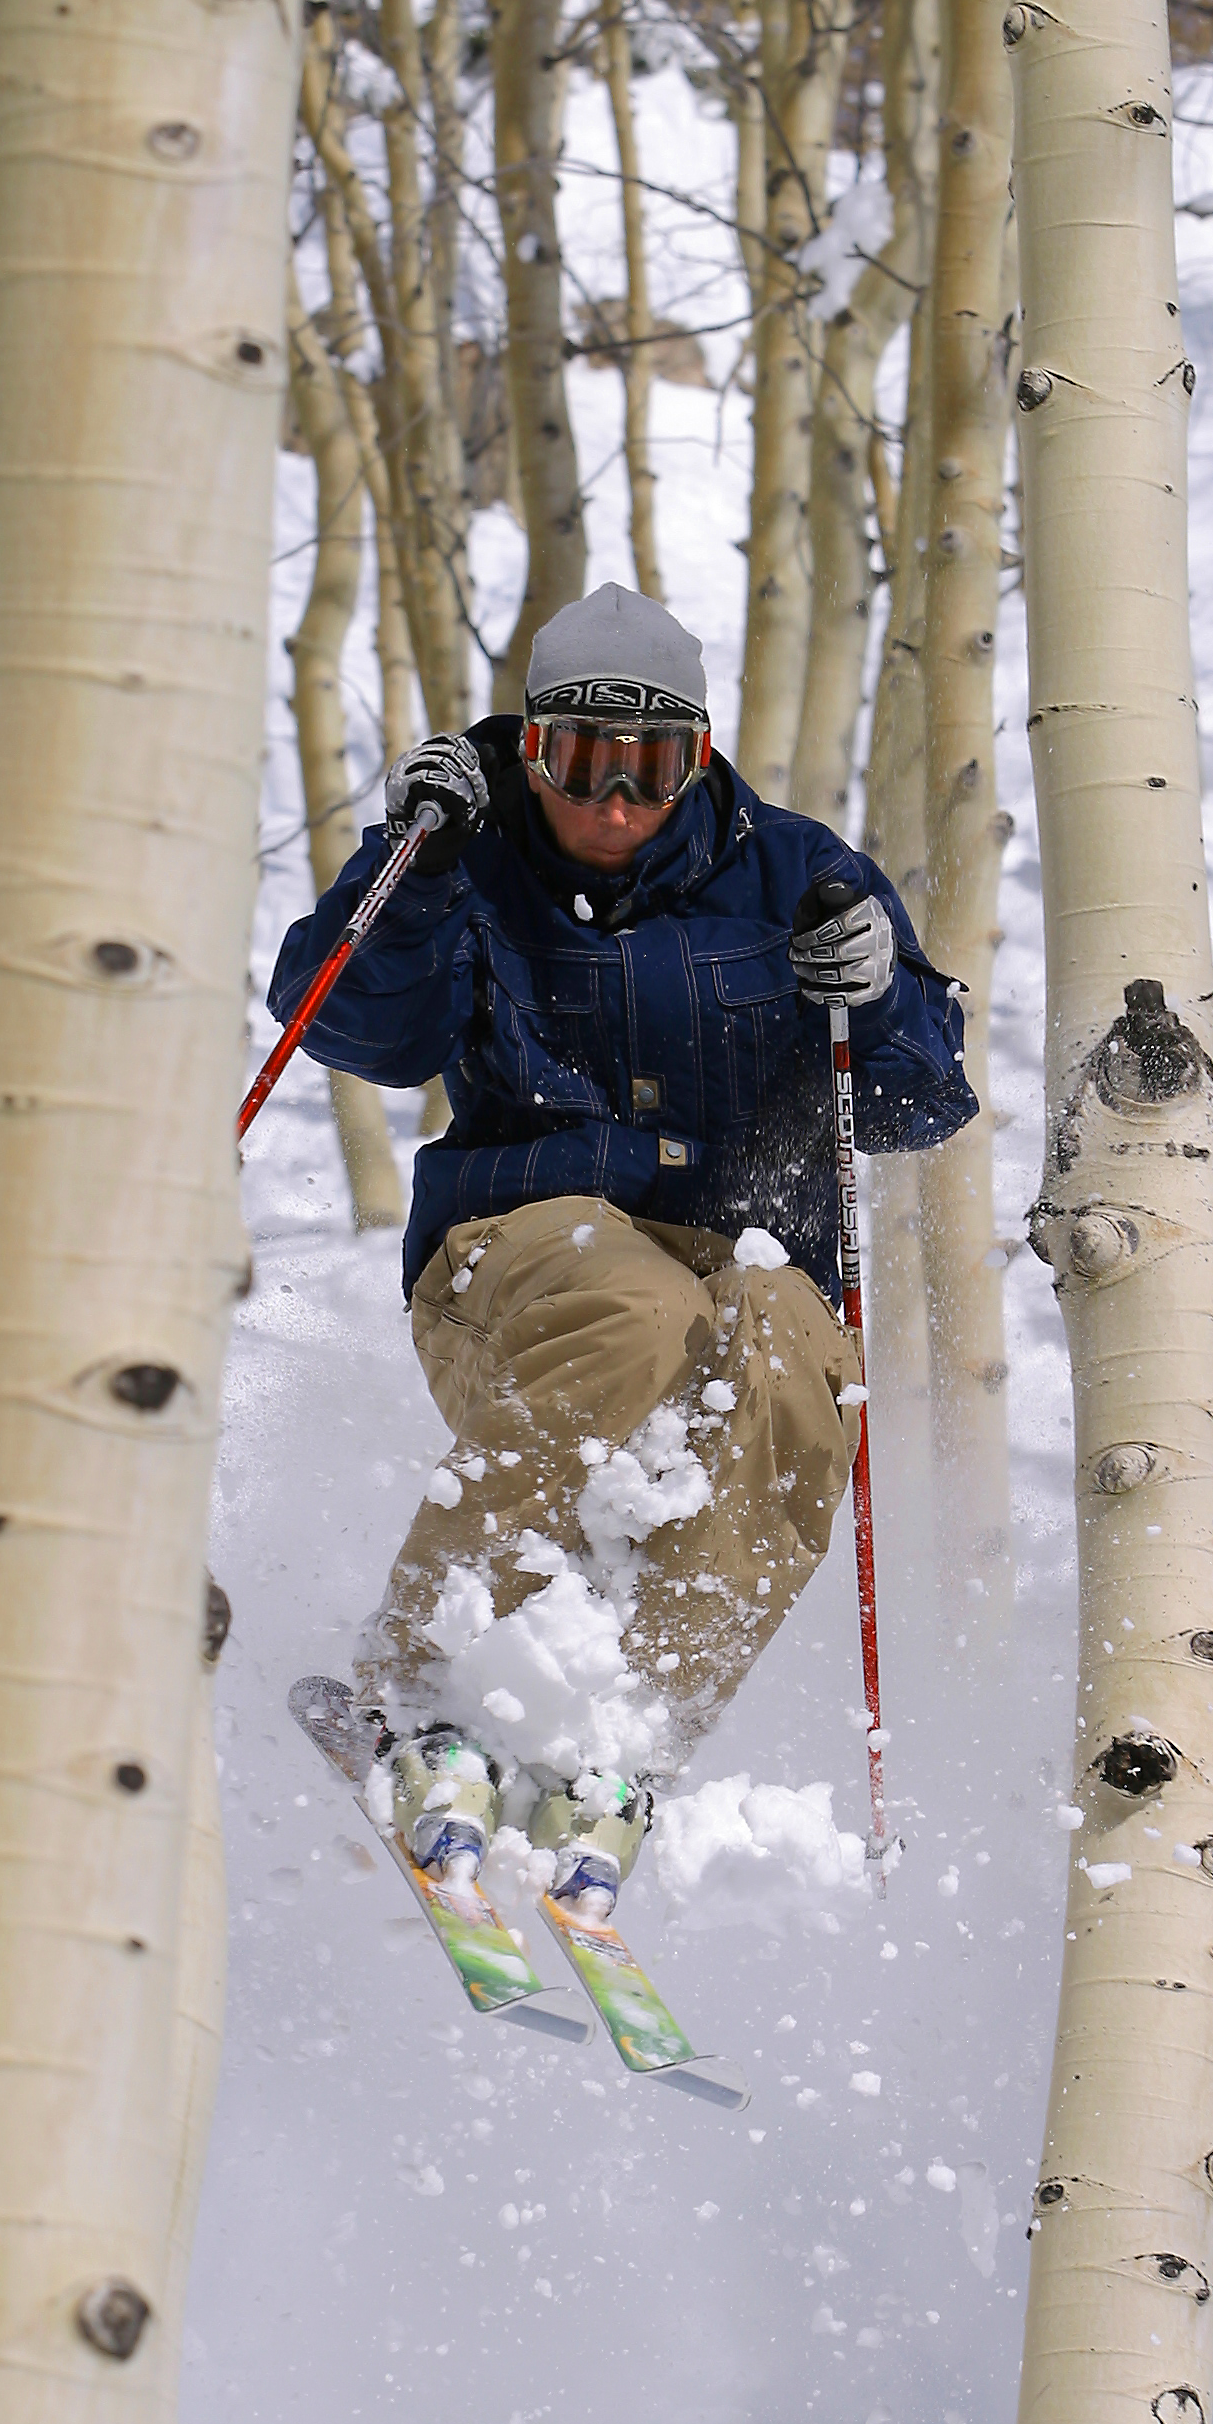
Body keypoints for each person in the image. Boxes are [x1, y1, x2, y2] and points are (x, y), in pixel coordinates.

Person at [271, 583, 975, 1915]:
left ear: (696, 759)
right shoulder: (469, 849)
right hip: (525, 1237)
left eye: (645, 771)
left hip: (750, 1252)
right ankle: (423, 1682)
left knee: (786, 1361)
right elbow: (356, 1028)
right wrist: (411, 869)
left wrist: (877, 994)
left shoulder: (797, 876)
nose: (608, 806)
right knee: (637, 1314)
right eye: (577, 765)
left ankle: (620, 1738)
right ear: (528, 751)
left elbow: (921, 1101)